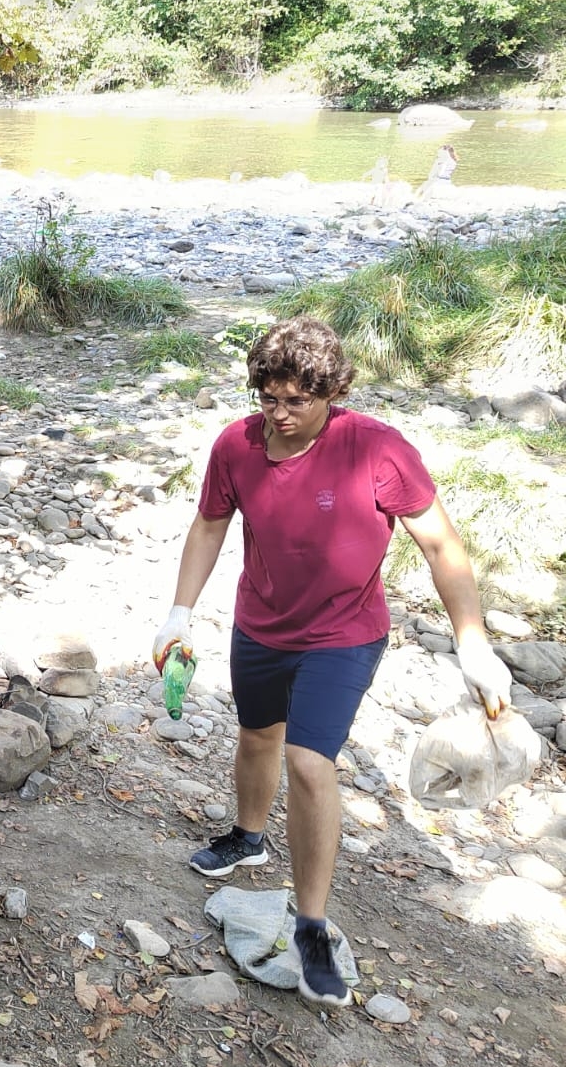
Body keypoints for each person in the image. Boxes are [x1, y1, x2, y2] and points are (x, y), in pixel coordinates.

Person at [153, 315, 514, 1007]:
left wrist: (473, 642)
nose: (281, 415)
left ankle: (312, 927)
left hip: (344, 633)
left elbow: (442, 545)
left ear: (332, 391)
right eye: (269, 399)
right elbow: (209, 525)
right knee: (257, 736)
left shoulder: (376, 449)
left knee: (310, 761)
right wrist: (179, 612)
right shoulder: (235, 446)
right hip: (261, 622)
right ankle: (248, 836)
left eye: (298, 401)